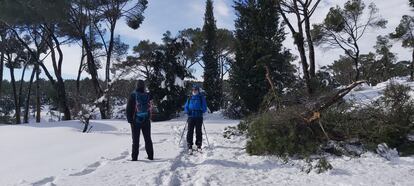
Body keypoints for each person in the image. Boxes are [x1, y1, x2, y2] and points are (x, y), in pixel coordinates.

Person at [126, 80, 154, 161]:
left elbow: (128, 109)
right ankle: (150, 156)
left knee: (135, 140)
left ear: (136, 86)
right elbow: (152, 96)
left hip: (136, 121)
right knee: (148, 138)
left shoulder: (133, 95)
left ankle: (134, 158)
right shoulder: (147, 95)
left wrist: (130, 120)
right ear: (143, 86)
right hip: (146, 120)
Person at [184, 84, 208, 153]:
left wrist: (201, 110)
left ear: (198, 90)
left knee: (198, 131)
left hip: (198, 117)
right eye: (193, 89)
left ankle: (199, 145)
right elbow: (186, 106)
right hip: (191, 117)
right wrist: (187, 111)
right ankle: (189, 145)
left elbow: (204, 107)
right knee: (190, 131)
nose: (194, 91)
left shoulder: (201, 97)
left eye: (195, 89)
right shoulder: (189, 98)